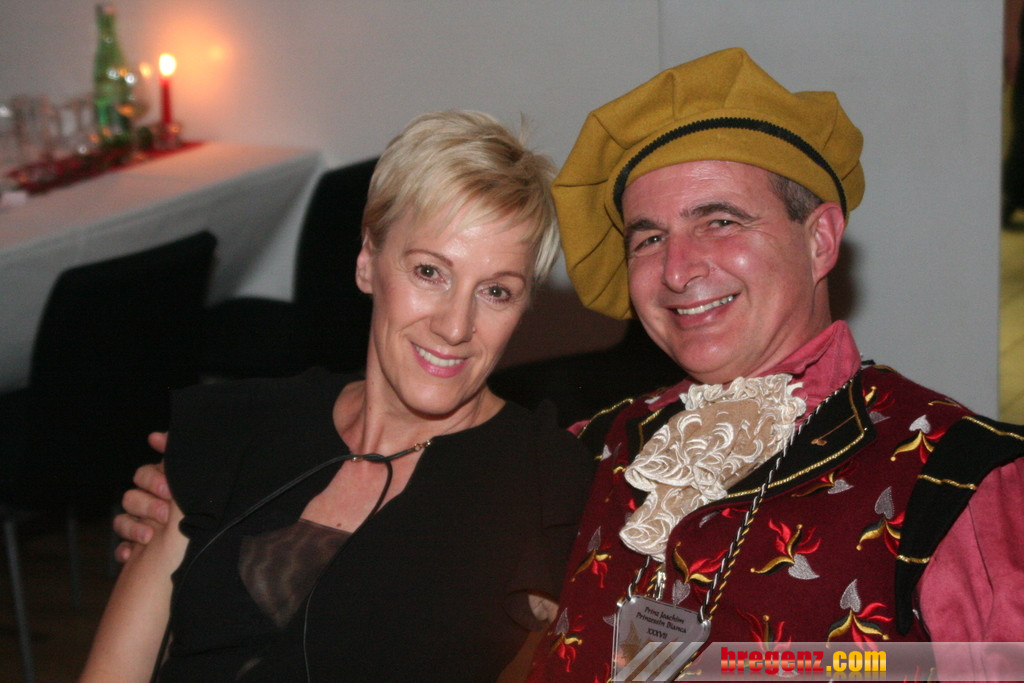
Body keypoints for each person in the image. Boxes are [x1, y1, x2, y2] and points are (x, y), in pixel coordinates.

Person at [521, 48, 1024, 680]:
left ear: (820, 240)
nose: (676, 270)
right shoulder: (584, 453)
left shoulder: (965, 480)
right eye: (649, 238)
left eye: (720, 221)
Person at [80, 110, 591, 683]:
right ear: (368, 261)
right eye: (430, 272)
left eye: (496, 291)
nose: (455, 326)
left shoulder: (543, 484)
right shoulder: (238, 424)